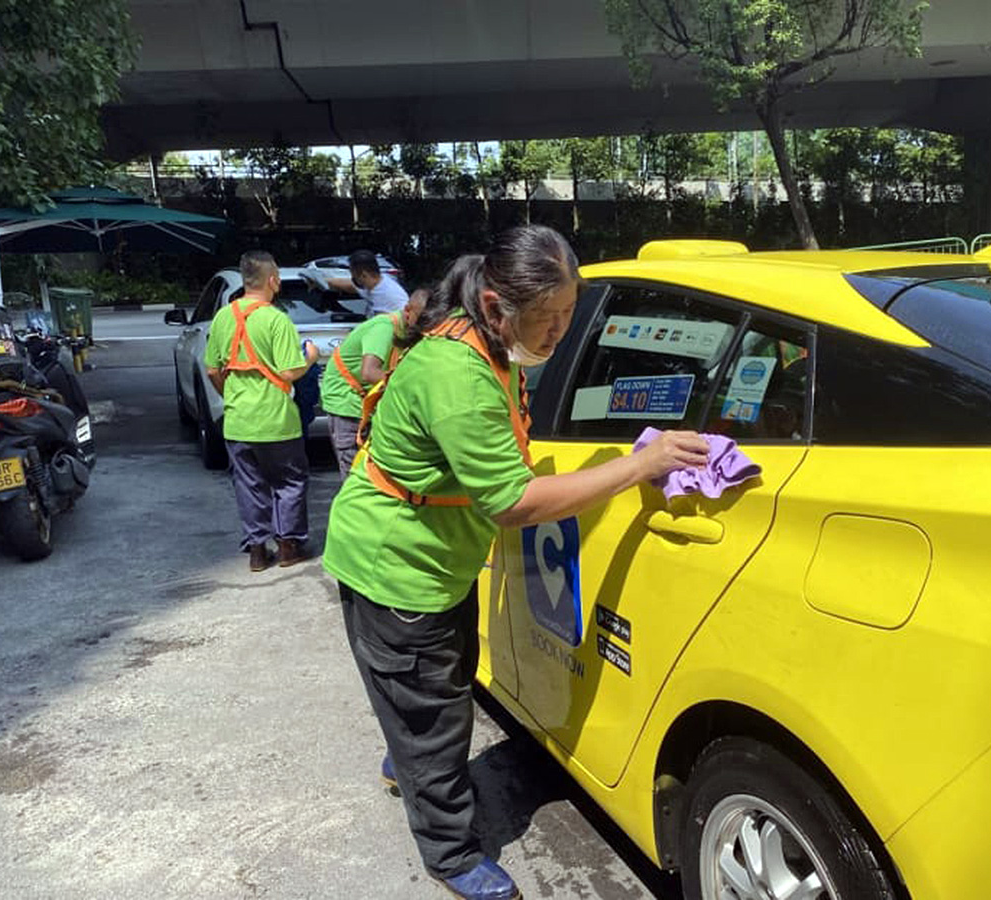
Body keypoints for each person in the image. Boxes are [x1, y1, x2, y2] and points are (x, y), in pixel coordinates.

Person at [322, 226, 708, 900]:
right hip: (397, 567)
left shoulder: (486, 344)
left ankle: (411, 758)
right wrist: (640, 464)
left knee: (432, 693)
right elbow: (514, 501)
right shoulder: (458, 374)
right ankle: (448, 852)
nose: (559, 333)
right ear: (498, 306)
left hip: (436, 558)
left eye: (569, 315)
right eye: (547, 318)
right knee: (432, 708)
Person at [204, 250, 320, 572]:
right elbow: (289, 371)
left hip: (238, 420)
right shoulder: (276, 319)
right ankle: (287, 547)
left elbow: (213, 370)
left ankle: (257, 552)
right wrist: (310, 356)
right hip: (278, 421)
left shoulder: (223, 317)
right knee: (289, 483)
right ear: (272, 281)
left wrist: (231, 395)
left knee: (249, 484)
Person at [319, 287, 428, 478]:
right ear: (408, 310)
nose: (424, 327)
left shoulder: (411, 331)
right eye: (421, 320)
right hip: (347, 403)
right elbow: (369, 373)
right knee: (355, 472)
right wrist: (412, 386)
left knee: (376, 472)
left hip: (370, 404)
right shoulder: (384, 328)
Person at [314, 249, 410, 317]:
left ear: (363, 275)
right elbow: (349, 285)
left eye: (353, 275)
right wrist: (319, 280)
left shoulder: (391, 296)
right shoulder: (372, 285)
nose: (352, 279)